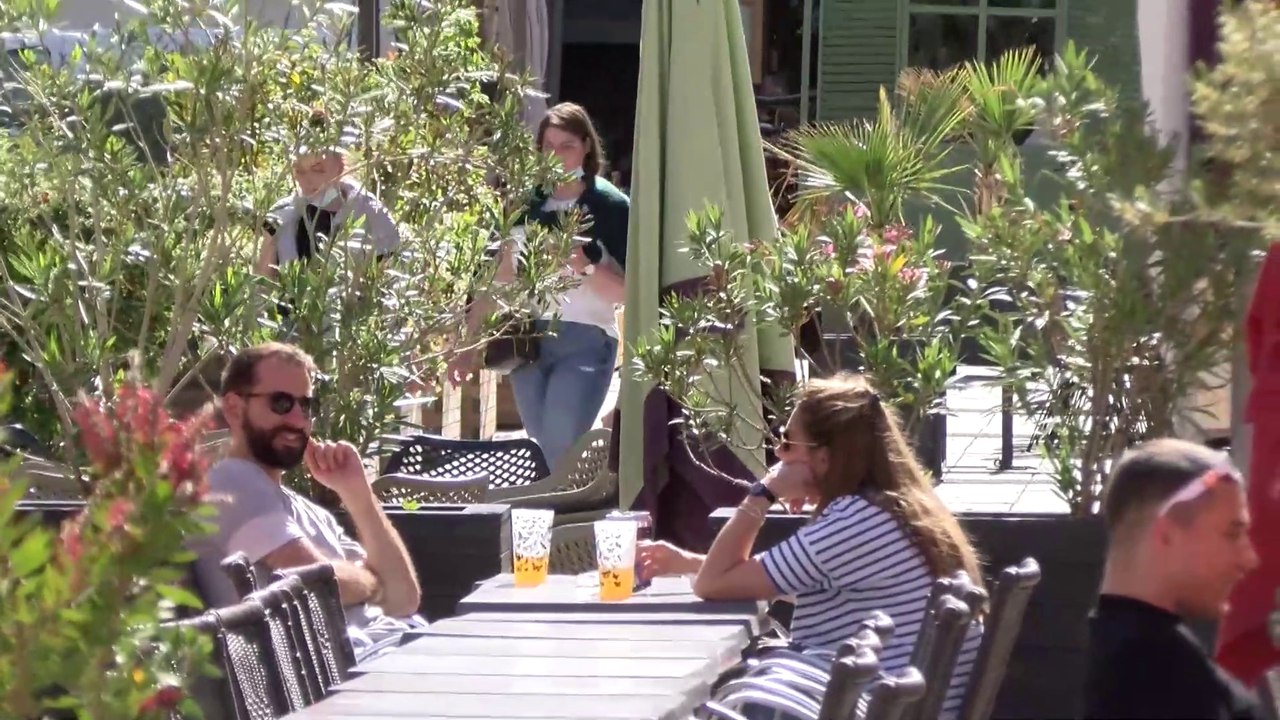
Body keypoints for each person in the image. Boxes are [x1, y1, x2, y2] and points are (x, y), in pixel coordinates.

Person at [639, 374, 984, 718]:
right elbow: (781, 581)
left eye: (788, 442)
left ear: (824, 457)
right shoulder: (892, 509)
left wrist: (764, 492)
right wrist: (687, 562)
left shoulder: (853, 522)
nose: (778, 453)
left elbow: (712, 585)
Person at [192, 342, 423, 658]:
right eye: (281, 403)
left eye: (306, 406)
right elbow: (318, 583)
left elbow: (404, 599)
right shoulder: (230, 483)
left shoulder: (308, 512)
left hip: (385, 652)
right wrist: (372, 582)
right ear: (234, 408)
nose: (299, 420)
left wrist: (357, 494)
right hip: (339, 670)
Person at [447, 102, 629, 471]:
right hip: (527, 342)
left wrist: (585, 266)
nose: (557, 156)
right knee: (542, 449)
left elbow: (632, 293)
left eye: (567, 146)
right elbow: (491, 281)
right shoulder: (524, 205)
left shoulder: (610, 206)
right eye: (549, 146)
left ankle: (576, 496)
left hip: (587, 341)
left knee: (559, 445)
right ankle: (576, 498)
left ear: (586, 146)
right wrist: (466, 348)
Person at [1084, 438, 1263, 720]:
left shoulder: (1142, 657)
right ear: (1167, 534)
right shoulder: (1156, 678)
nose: (1249, 558)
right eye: (1232, 533)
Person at [256, 125, 400, 278]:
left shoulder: (372, 214)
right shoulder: (281, 215)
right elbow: (263, 281)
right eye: (299, 170)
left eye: (317, 169)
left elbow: (389, 275)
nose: (307, 180)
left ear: (339, 167)